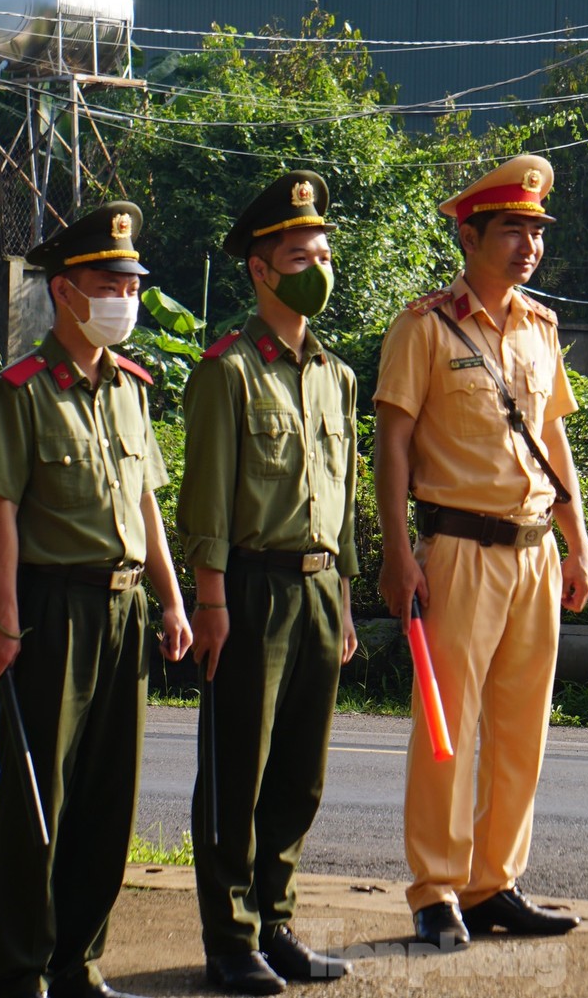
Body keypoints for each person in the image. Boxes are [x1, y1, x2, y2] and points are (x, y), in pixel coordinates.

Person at [372, 154, 588, 952]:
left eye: (536, 230)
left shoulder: (541, 327)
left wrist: (579, 540)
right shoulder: (424, 326)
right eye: (512, 229)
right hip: (458, 549)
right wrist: (399, 553)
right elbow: (391, 447)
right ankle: (436, 888)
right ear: (469, 234)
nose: (528, 244)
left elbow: (554, 439)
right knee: (448, 729)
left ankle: (493, 880)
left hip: (536, 550)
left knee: (520, 727)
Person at [0, 203, 193, 998]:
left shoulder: (131, 388)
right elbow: (2, 506)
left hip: (126, 608)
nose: (127, 299)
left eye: (132, 284)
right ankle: (22, 970)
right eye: (112, 283)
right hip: (52, 607)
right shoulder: (23, 390)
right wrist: (4, 619)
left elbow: (146, 507)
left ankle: (79, 960)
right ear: (68, 291)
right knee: (39, 795)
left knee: (110, 793)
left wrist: (172, 602)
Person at [177, 172, 361, 996]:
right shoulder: (227, 371)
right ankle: (231, 937)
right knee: (236, 770)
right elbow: (207, 502)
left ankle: (277, 919)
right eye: (299, 254)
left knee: (300, 771)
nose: (316, 266)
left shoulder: (337, 376)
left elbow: (346, 502)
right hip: (250, 591)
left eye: (323, 252)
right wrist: (208, 600)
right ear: (261, 268)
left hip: (320, 591)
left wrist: (347, 600)